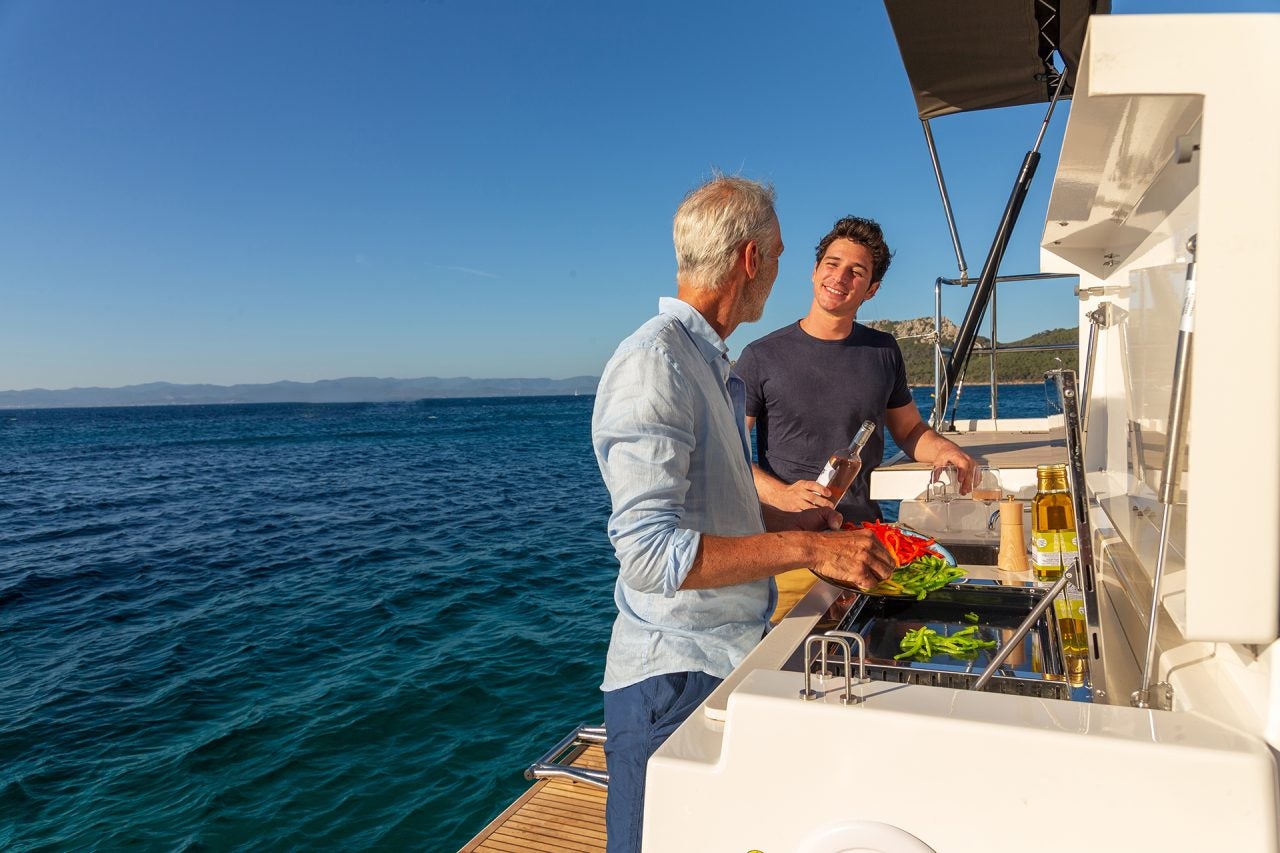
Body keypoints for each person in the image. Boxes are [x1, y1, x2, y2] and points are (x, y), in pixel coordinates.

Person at [591, 178, 894, 853]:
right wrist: (808, 551)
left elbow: (719, 509)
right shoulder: (655, 365)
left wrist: (818, 534)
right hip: (670, 678)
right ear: (751, 259)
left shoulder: (707, 362)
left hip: (719, 658)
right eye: (783, 255)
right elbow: (650, 557)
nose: (784, 272)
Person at [734, 215, 977, 525]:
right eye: (832, 265)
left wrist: (944, 449)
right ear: (815, 271)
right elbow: (727, 450)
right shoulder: (761, 356)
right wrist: (779, 494)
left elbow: (909, 431)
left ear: (871, 290)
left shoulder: (883, 351)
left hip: (862, 532)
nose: (839, 278)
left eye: (856, 272)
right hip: (786, 536)